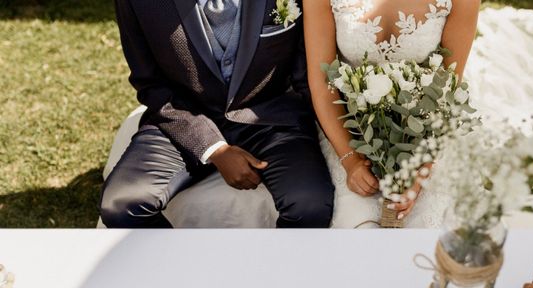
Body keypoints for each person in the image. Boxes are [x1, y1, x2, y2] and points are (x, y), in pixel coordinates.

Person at [100, 0, 335, 228]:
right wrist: (213, 149)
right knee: (121, 205)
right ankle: (186, 268)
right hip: (184, 119)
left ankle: (270, 268)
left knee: (309, 205)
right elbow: (151, 85)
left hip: (272, 118)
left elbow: (308, 76)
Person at [303, 0, 481, 228]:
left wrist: (421, 170)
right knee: (357, 220)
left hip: (428, 129)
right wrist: (350, 161)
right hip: (349, 128)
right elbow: (322, 83)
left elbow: (449, 87)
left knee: (430, 221)